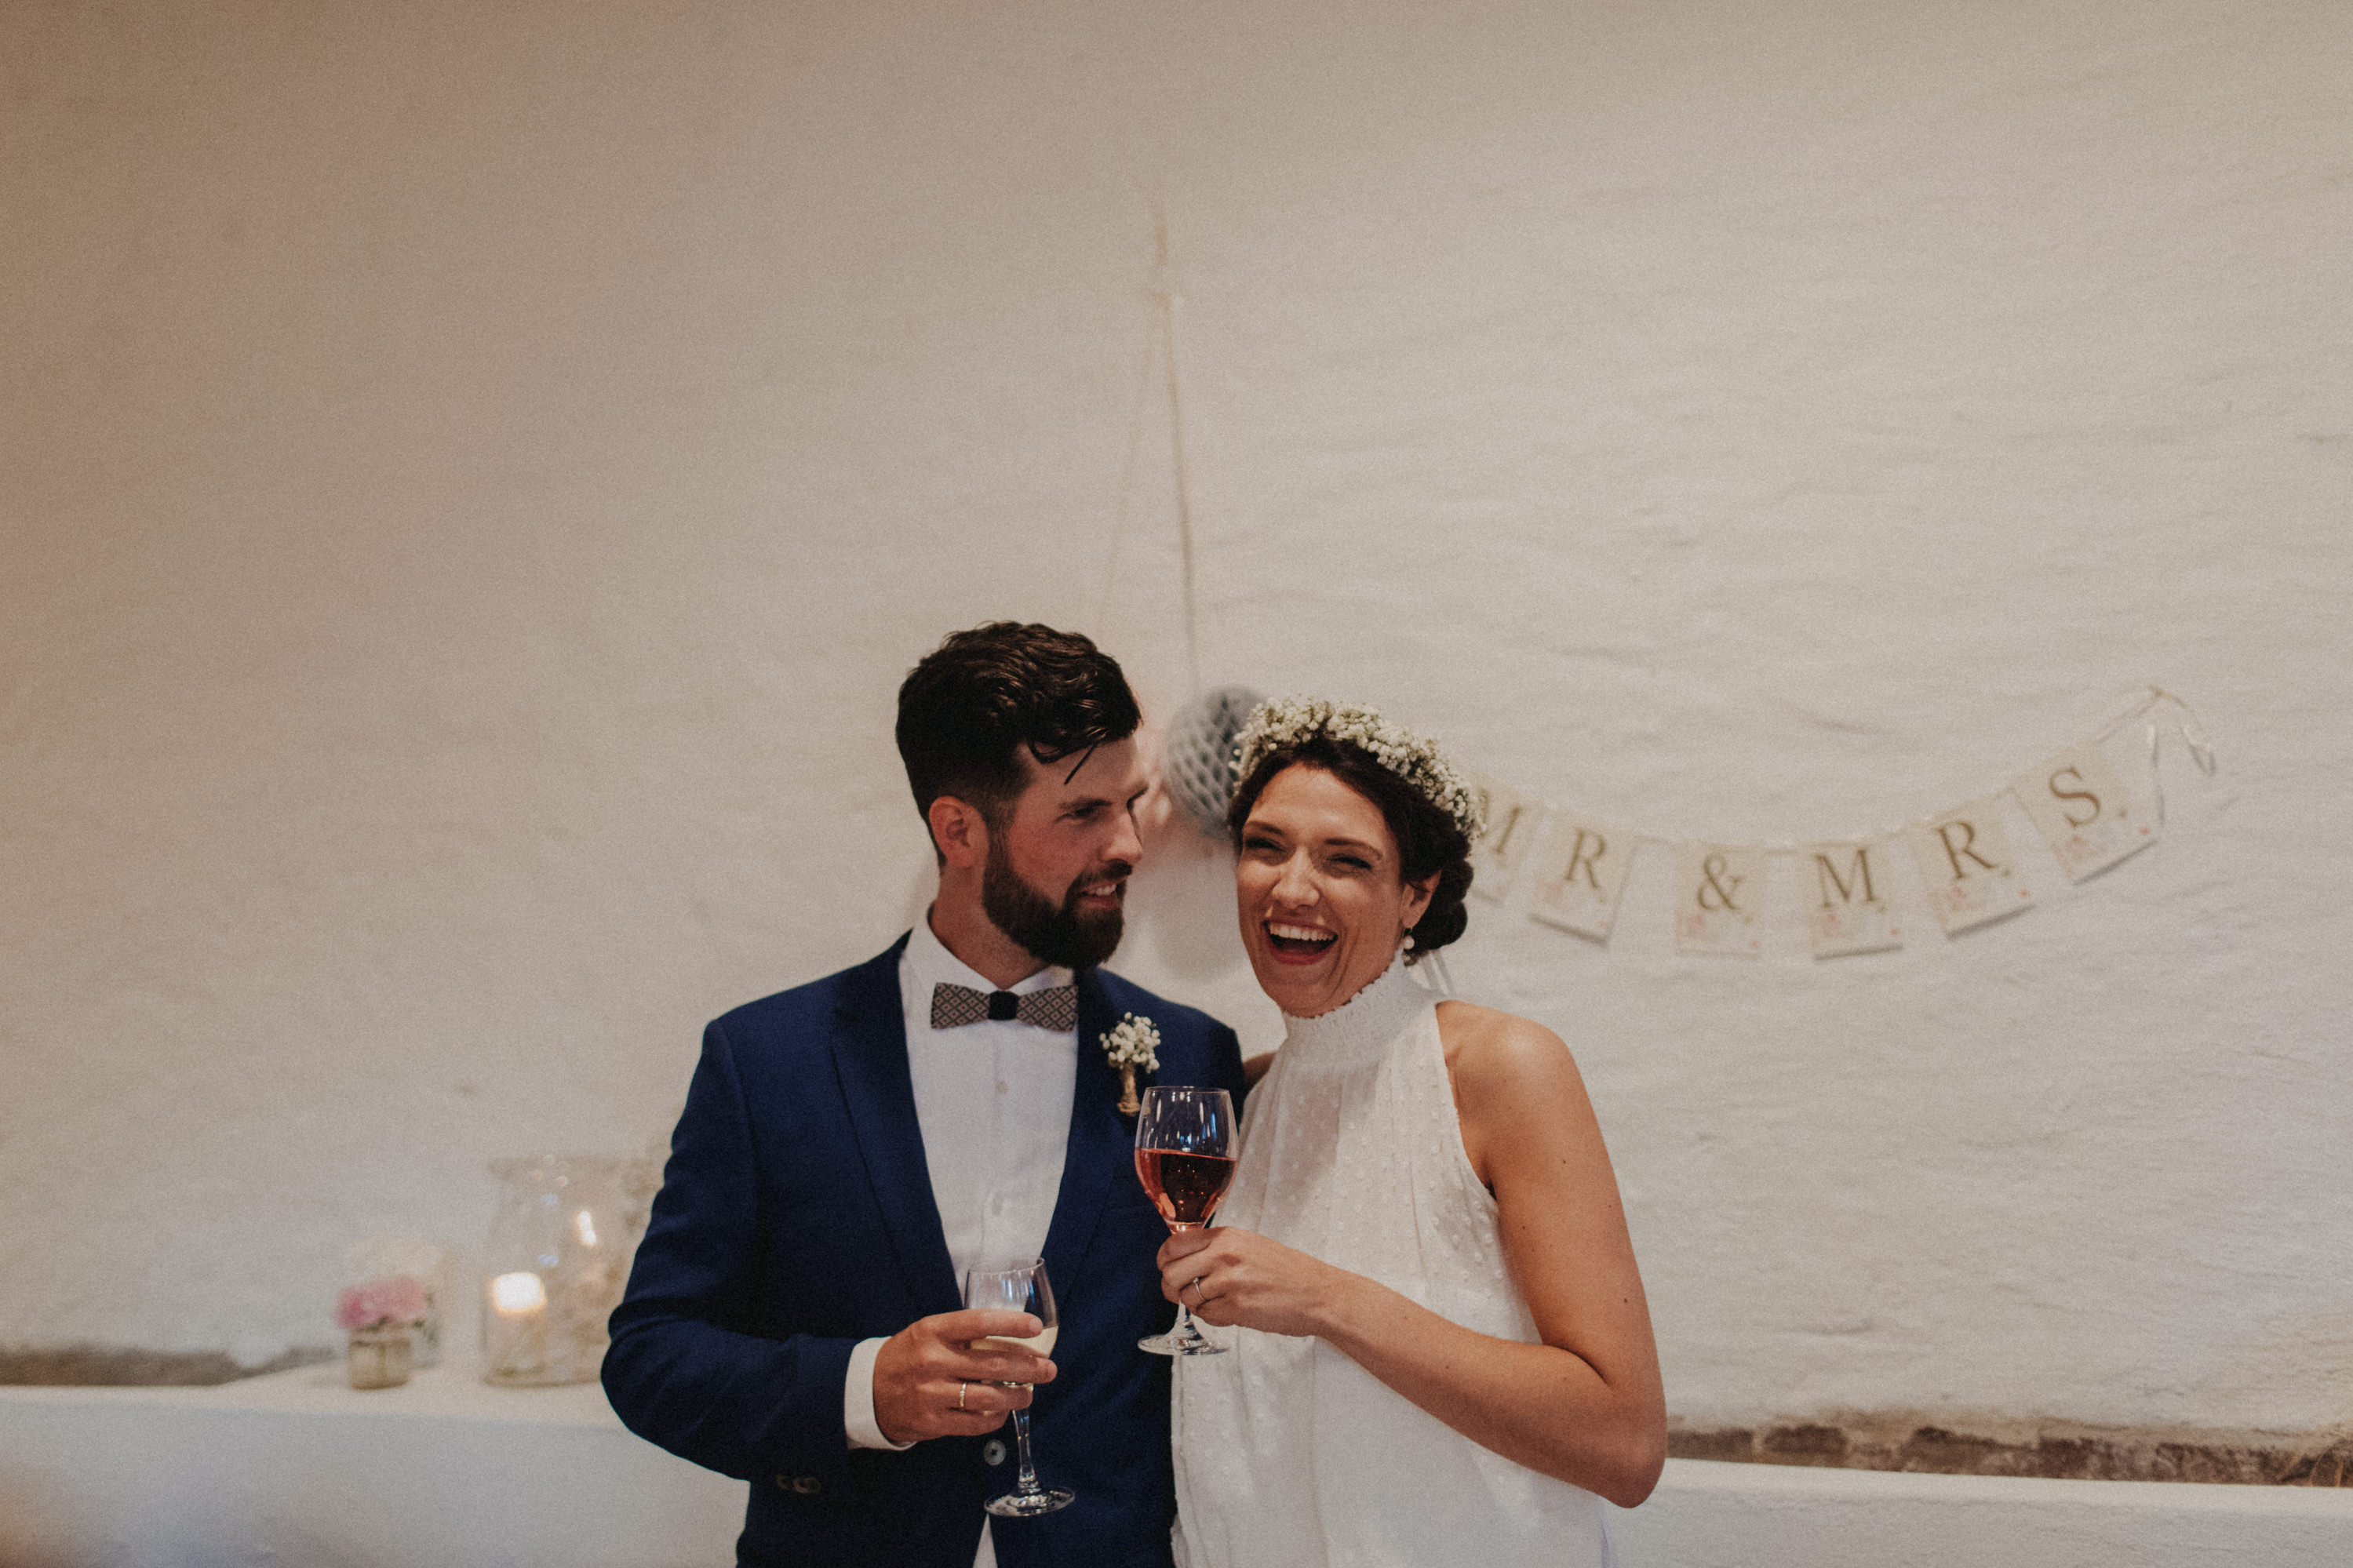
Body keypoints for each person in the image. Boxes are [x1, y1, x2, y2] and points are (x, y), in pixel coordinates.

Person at [605, 622, 1249, 1568]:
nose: (1126, 844)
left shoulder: (1190, 1056)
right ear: (958, 829)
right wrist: (862, 1389)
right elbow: (650, 1356)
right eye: (1081, 814)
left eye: (1133, 802)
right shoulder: (765, 1059)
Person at [1162, 698, 1665, 1568]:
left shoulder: (1501, 1068)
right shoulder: (1239, 1100)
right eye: (1264, 846)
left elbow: (1622, 1444)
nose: (1290, 887)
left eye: (1345, 861)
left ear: (1415, 894)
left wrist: (1326, 1299)